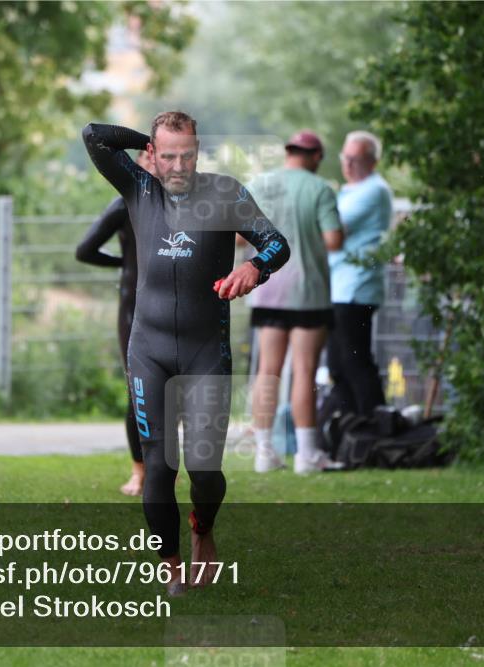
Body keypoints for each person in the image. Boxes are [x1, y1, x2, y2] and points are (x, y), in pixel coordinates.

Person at [82, 112, 290, 595]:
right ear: (154, 154)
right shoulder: (138, 187)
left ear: (199, 152)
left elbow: (277, 244)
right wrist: (148, 143)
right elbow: (94, 136)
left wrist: (255, 269)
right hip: (148, 350)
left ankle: (202, 528)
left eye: (188, 155)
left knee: (205, 470)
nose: (178, 166)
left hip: (205, 351)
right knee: (159, 465)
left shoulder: (224, 193)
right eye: (168, 155)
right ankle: (171, 564)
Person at [246, 130, 344, 474]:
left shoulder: (261, 184)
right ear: (315, 156)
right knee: (304, 371)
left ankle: (263, 452)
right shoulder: (319, 190)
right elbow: (333, 240)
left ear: (289, 152)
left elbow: (238, 234)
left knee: (267, 371)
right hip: (309, 293)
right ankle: (306, 455)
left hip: (268, 289)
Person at [75, 152, 154, 497]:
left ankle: (163, 468)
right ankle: (139, 472)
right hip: (133, 309)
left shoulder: (183, 204)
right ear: (137, 163)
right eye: (149, 157)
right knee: (137, 394)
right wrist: (125, 262)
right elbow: (85, 250)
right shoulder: (125, 204)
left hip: (173, 310)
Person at [327, 131, 392, 418]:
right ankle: (352, 431)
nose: (349, 164)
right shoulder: (352, 191)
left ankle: (374, 426)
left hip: (355, 288)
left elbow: (331, 227)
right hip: (340, 287)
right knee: (338, 365)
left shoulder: (372, 190)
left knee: (354, 363)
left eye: (356, 159)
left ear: (373, 162)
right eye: (346, 157)